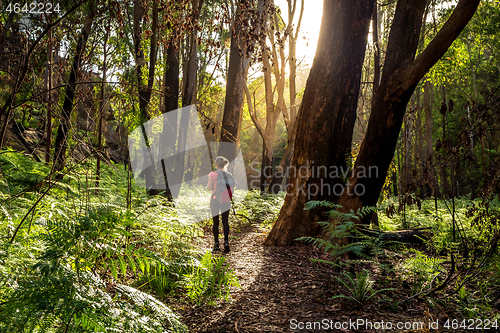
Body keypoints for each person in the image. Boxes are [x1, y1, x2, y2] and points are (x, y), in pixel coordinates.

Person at [207, 156, 235, 253]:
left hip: (215, 199)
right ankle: (226, 242)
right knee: (225, 221)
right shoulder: (229, 175)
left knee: (216, 222)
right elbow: (232, 188)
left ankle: (216, 243)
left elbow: (209, 188)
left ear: (216, 164)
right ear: (224, 164)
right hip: (226, 200)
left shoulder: (212, 174)